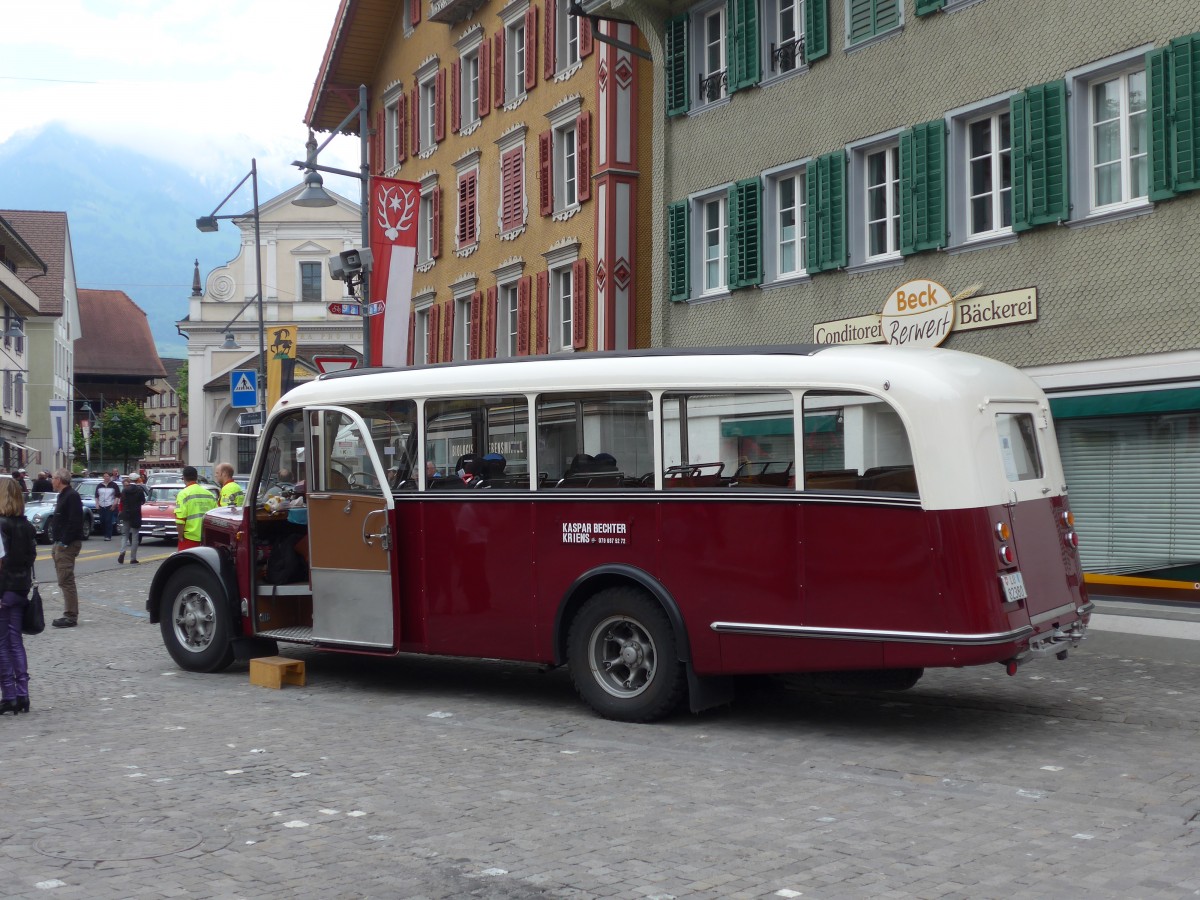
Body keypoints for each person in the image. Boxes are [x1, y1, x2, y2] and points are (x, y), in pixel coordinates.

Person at [0, 478, 36, 714]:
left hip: (4, 589)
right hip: (22, 587)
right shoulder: (26, 525)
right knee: (16, 642)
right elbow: (31, 556)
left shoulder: (1, 525)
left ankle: (9, 695)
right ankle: (22, 693)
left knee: (3, 644)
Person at [49, 468, 84, 628]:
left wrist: (63, 542)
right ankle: (69, 613)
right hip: (60, 543)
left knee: (66, 579)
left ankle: (70, 615)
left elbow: (74, 521)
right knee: (63, 580)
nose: (51, 480)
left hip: (67, 544)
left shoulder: (71, 496)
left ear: (60, 480)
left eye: (53, 478)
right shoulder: (63, 495)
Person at [175, 466, 217, 551]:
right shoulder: (209, 495)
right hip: (207, 538)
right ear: (196, 477)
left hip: (190, 538)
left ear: (183, 478)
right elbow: (215, 516)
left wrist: (180, 536)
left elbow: (180, 520)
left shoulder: (183, 494)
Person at [117, 474, 145, 565]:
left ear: (130, 480)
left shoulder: (125, 490)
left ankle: (122, 552)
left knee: (125, 534)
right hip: (136, 514)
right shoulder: (139, 490)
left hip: (126, 514)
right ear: (137, 480)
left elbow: (122, 501)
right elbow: (143, 501)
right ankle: (133, 558)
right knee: (135, 536)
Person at [94, 472, 119, 540]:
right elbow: (96, 496)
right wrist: (97, 504)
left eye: (107, 476)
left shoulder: (114, 485)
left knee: (108, 520)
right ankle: (104, 533)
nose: (106, 478)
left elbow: (117, 496)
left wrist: (114, 504)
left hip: (110, 505)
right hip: (101, 505)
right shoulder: (99, 485)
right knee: (102, 520)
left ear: (110, 477)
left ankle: (108, 535)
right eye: (105, 476)